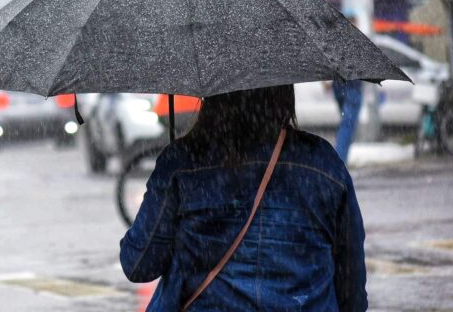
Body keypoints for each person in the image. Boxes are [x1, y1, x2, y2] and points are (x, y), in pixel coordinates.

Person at [119, 85, 367, 311]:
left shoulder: (182, 162)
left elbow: (139, 264)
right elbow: (351, 283)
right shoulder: (324, 164)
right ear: (284, 93)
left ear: (212, 97)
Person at [333, 77, 363, 163]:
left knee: (345, 124)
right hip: (352, 87)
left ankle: (340, 160)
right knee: (347, 126)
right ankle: (339, 162)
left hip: (337, 86)